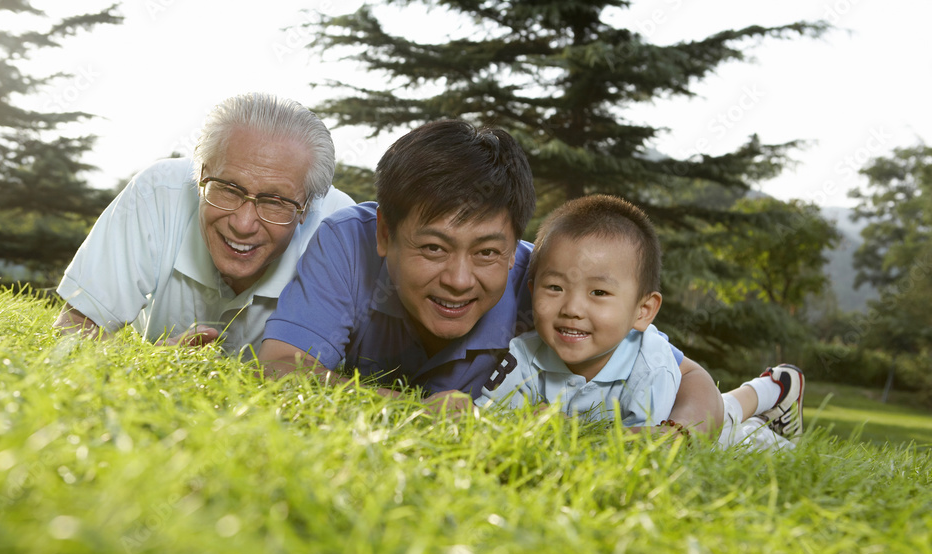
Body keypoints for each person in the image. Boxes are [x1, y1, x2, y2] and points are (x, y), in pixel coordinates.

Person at [258, 119, 725, 433]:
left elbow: (690, 377)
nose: (459, 280)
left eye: (487, 252)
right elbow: (280, 367)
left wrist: (678, 436)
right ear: (385, 233)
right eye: (434, 248)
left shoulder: (546, 283)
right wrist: (408, 409)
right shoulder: (348, 243)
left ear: (515, 246)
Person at [474, 194, 805, 447]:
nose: (572, 308)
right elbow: (489, 419)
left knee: (734, 432)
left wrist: (561, 428)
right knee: (724, 409)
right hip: (697, 409)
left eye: (599, 293)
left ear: (642, 311)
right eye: (555, 287)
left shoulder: (651, 365)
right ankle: (776, 387)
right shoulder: (523, 354)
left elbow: (642, 448)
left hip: (700, 431)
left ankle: (774, 394)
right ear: (532, 292)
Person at [53, 93, 355, 359]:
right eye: (228, 188)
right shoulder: (157, 192)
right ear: (199, 178)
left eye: (274, 201)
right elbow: (73, 331)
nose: (243, 224)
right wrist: (148, 361)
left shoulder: (340, 232)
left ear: (307, 207)